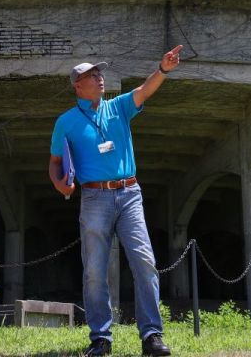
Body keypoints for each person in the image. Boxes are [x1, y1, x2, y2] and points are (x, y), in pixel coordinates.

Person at [49, 46, 183, 357]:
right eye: (93, 76)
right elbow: (56, 162)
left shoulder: (119, 107)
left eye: (100, 74)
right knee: (95, 271)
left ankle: (152, 336)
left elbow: (143, 91)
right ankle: (101, 338)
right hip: (94, 197)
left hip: (129, 193)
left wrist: (162, 69)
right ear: (77, 85)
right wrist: (61, 185)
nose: (100, 79)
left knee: (145, 262)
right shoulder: (66, 122)